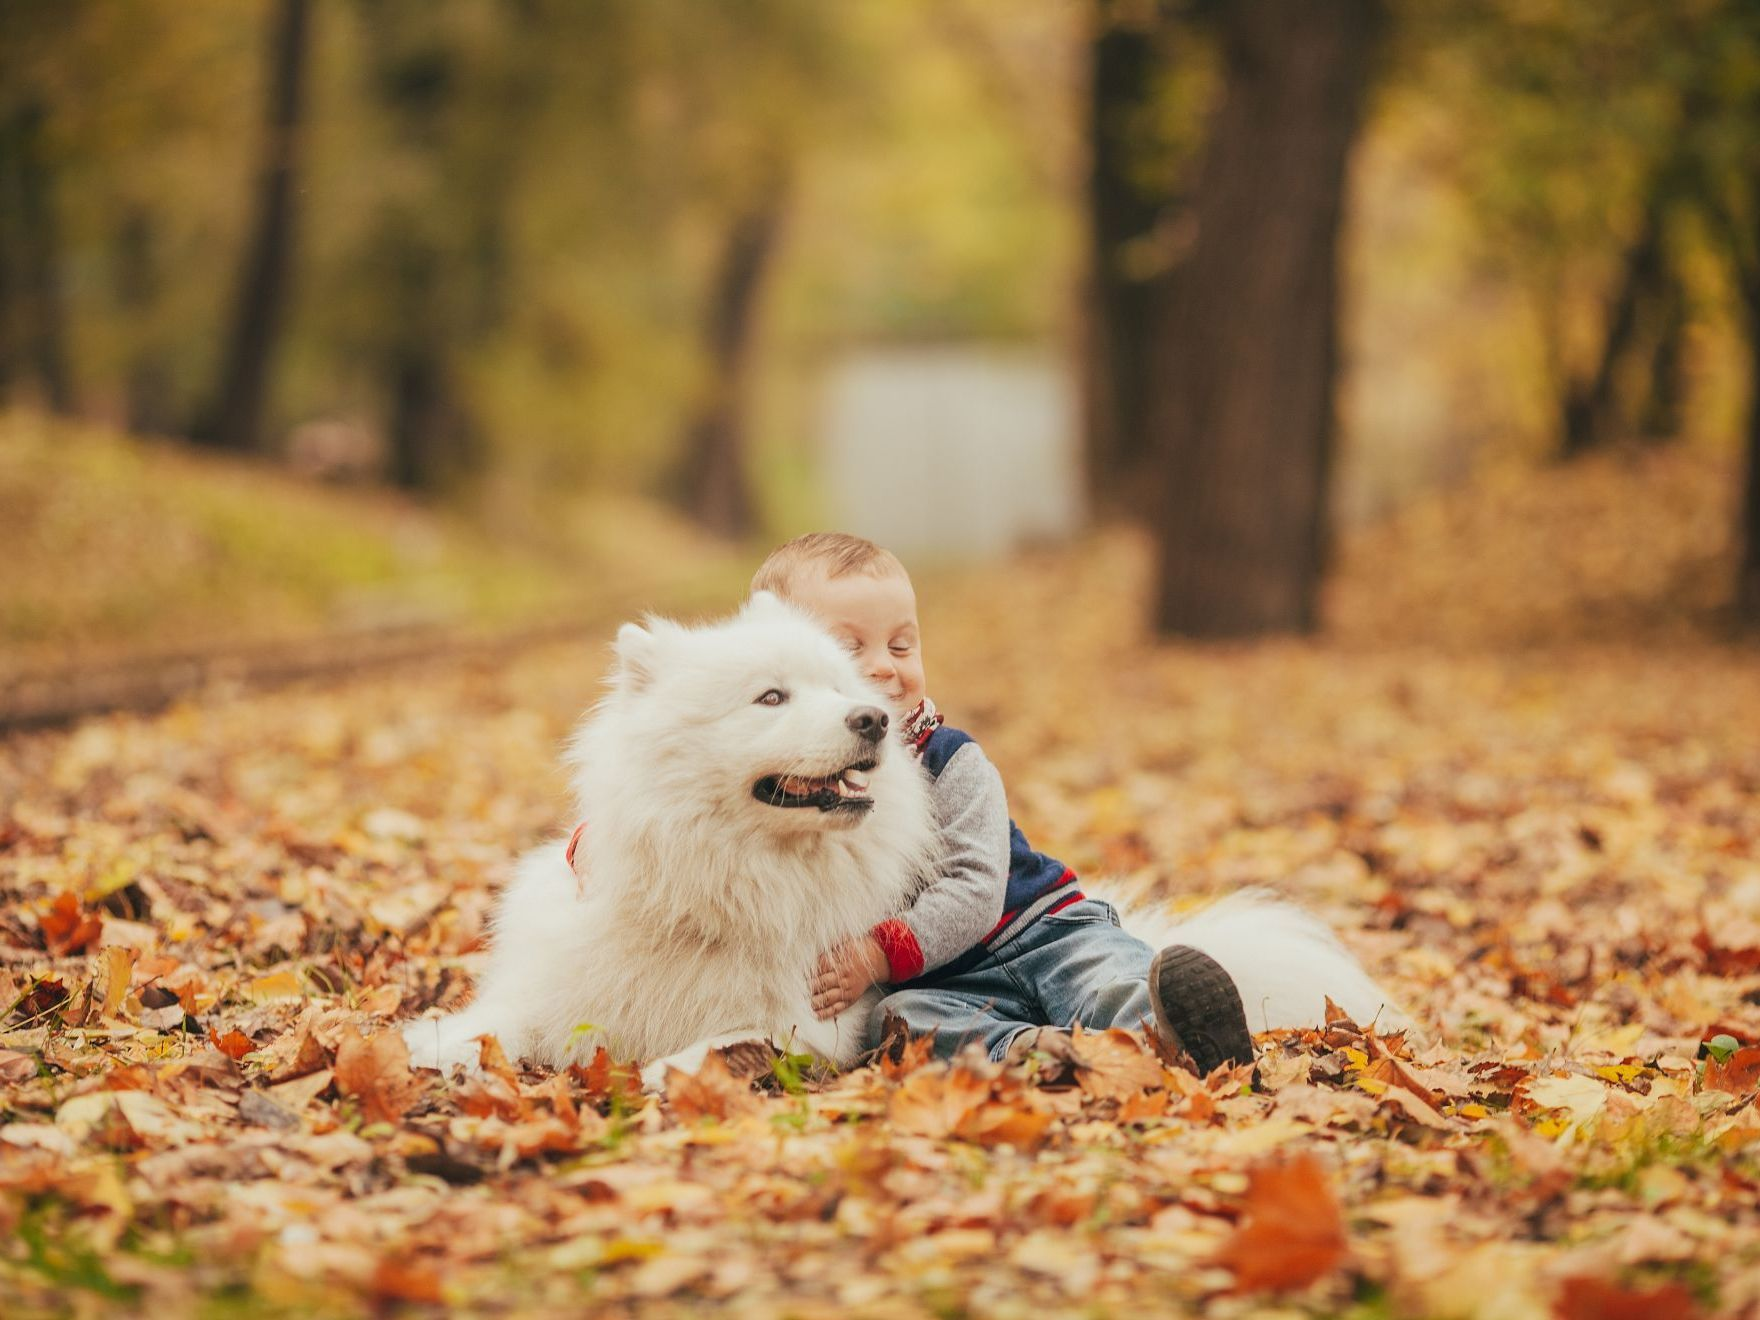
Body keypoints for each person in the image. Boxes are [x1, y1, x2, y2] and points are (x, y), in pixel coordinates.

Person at [754, 531, 1256, 1074]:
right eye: (850, 649)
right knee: (898, 1022)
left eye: (902, 646)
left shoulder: (950, 759)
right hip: (948, 985)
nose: (884, 667)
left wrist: (877, 953)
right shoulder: (808, 791)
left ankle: (1175, 1039)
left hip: (1041, 931)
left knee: (1106, 979)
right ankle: (1042, 1052)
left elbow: (978, 887)